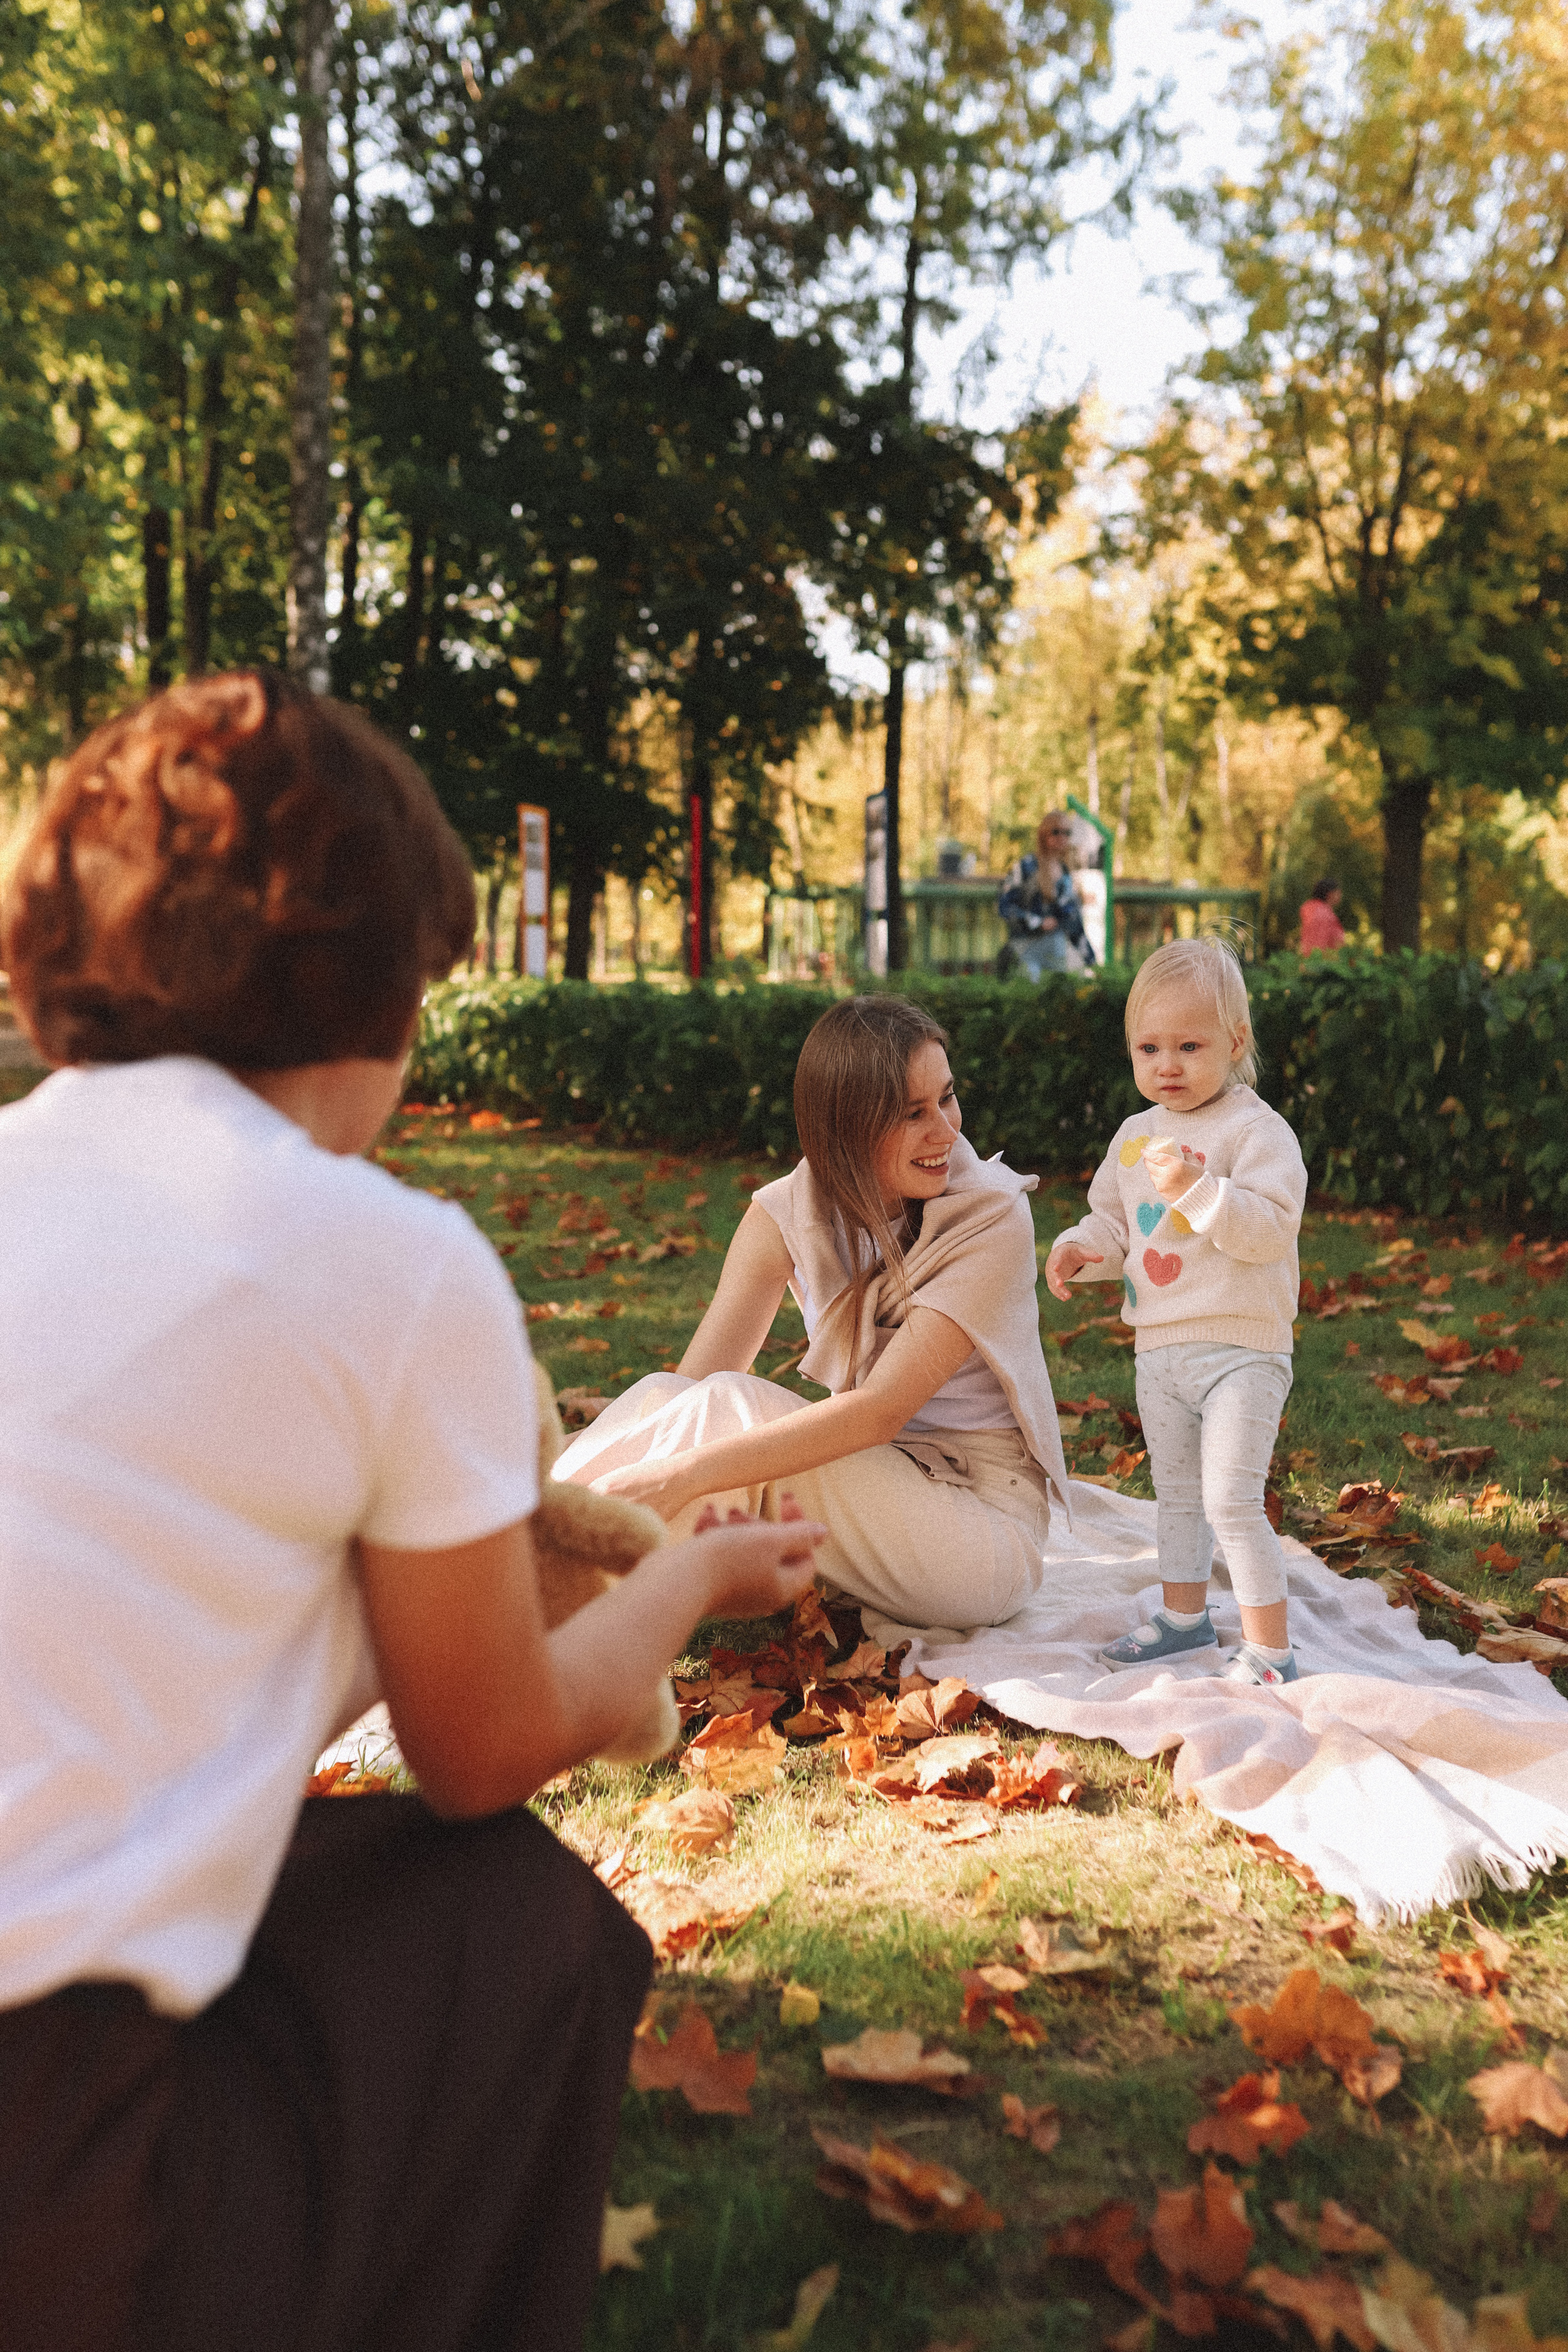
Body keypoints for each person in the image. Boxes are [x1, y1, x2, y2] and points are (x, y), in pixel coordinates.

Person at [0, 670, 823, 2352]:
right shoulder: (391, 1263)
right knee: (515, 1918)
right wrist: (683, 1585)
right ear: (382, 993)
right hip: (54, 2164)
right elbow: (481, 1749)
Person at [556, 997, 1071, 1646]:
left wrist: (680, 1477)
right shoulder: (787, 1214)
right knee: (672, 1394)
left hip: (982, 1531)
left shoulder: (990, 1218)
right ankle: (523, 1560)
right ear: (846, 1127)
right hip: (868, 1482)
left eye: (946, 1098)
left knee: (729, 1409)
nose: (945, 1132)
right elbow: (688, 1393)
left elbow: (879, 1412)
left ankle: (521, 1592)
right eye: (912, 1113)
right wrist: (650, 1465)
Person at [1045, 938, 1308, 1687]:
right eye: (1149, 1047)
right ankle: (1184, 1619)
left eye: (1189, 1046)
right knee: (1179, 1498)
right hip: (1158, 1350)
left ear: (1235, 1043)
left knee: (1230, 1498)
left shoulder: (1255, 1132)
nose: (1167, 1065)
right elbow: (1116, 1224)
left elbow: (1268, 1229)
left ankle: (1271, 1652)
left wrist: (1199, 1191)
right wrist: (1081, 1249)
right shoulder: (1136, 1138)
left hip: (1241, 1349)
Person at [997, 812, 1096, 978]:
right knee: (1032, 978)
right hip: (1025, 947)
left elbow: (1073, 921)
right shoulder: (1026, 867)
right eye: (1056, 832)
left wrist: (1091, 961)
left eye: (1067, 833)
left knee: (1078, 976)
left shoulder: (1065, 874)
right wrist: (1038, 923)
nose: (1062, 837)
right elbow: (1004, 905)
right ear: (1044, 835)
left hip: (1056, 948)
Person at [1299, 877, 1347, 954]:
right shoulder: (1323, 913)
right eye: (1338, 892)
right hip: (1322, 958)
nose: (1341, 895)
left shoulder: (1311, 908)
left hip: (1310, 957)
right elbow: (1321, 942)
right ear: (1330, 894)